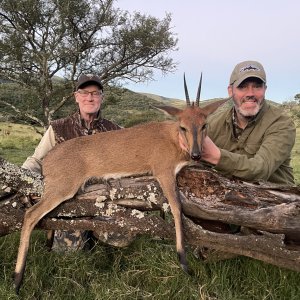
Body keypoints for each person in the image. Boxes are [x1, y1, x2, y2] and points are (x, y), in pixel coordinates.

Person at [22, 74, 121, 250]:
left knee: (122, 238)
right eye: (84, 92)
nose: (90, 97)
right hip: (70, 204)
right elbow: (37, 160)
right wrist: (20, 180)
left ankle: (100, 241)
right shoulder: (58, 127)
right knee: (68, 253)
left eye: (95, 93)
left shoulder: (115, 131)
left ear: (101, 98)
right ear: (76, 96)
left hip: (104, 201)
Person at [201, 60, 296, 185]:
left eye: (257, 86)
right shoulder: (213, 123)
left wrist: (216, 156)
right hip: (227, 198)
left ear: (265, 89)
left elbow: (261, 169)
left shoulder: (281, 123)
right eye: (242, 87)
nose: (250, 93)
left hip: (277, 200)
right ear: (230, 91)